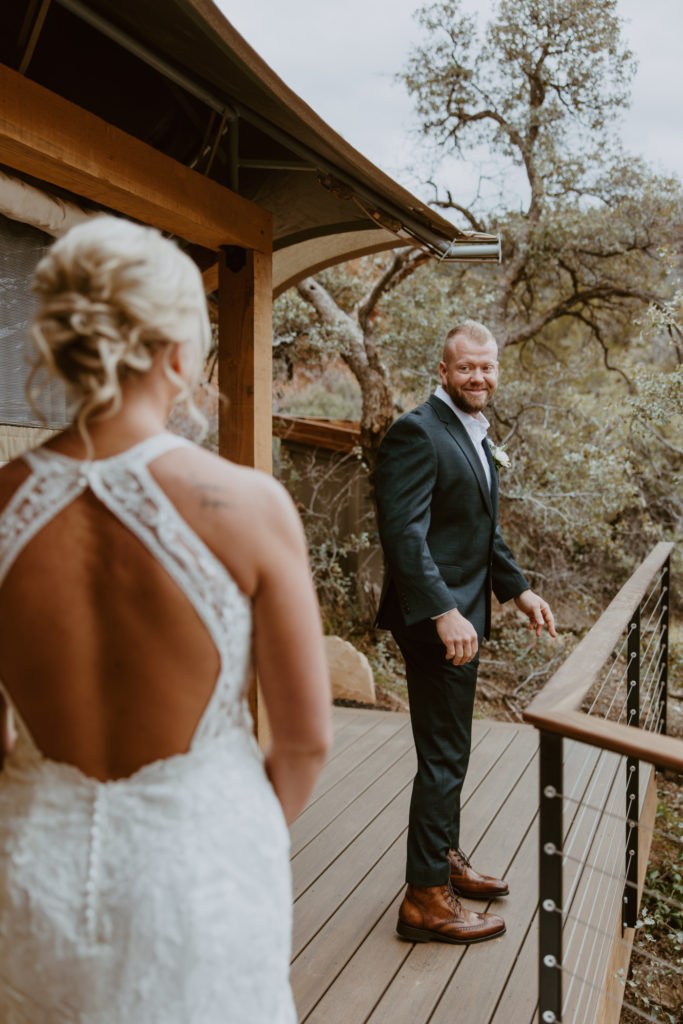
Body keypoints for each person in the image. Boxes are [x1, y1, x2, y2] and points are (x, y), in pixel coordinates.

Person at [0, 216, 332, 1022]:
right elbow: (304, 740)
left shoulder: (1, 502)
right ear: (180, 353)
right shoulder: (249, 506)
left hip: (30, 870)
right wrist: (224, 825)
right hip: (200, 868)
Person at [374, 319, 555, 945]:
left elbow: (478, 528)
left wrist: (520, 588)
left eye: (487, 367)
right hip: (437, 622)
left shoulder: (473, 431)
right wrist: (444, 610)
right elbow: (404, 536)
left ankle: (442, 858)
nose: (478, 377)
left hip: (464, 612)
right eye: (466, 368)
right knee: (445, 757)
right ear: (444, 371)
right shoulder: (417, 432)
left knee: (450, 749)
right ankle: (424, 898)